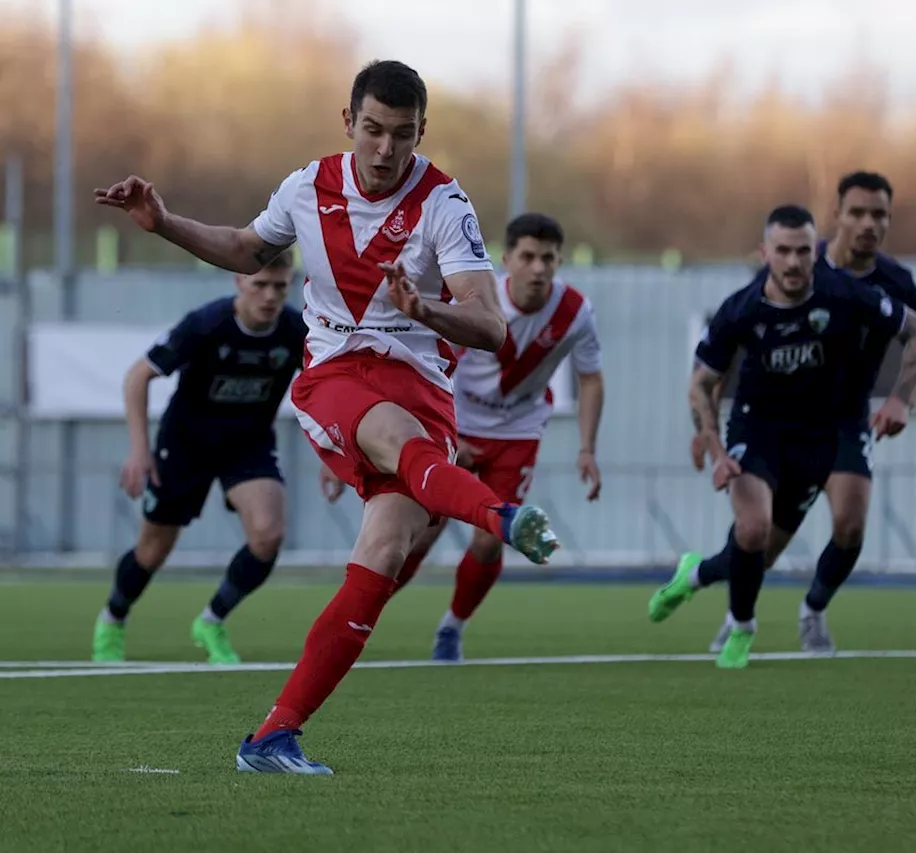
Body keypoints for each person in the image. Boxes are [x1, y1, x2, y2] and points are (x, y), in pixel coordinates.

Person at [94, 59, 559, 775]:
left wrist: (424, 309)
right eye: (372, 130)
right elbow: (248, 247)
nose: (384, 150)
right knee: (398, 442)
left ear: (421, 132)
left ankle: (272, 736)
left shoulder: (444, 201)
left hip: (420, 383)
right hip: (338, 374)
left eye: (401, 135)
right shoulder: (307, 186)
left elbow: (492, 325)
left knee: (383, 554)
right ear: (348, 122)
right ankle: (498, 515)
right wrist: (164, 225)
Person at [646, 204, 916, 669]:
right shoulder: (739, 309)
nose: (795, 261)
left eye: (804, 250)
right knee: (753, 528)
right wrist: (714, 446)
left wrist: (903, 395)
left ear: (814, 252)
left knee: (772, 545)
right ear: (765, 252)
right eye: (783, 251)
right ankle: (742, 626)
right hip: (755, 427)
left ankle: (695, 575)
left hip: (820, 436)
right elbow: (701, 383)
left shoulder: (843, 294)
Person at [91, 253, 346, 665]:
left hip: (247, 445)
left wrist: (333, 453)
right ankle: (112, 619)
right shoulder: (207, 324)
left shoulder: (295, 331)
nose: (269, 296)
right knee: (153, 550)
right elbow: (138, 376)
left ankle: (211, 621)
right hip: (185, 444)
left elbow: (328, 391)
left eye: (279, 287)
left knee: (268, 534)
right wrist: (139, 450)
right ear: (238, 283)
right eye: (259, 285)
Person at [391, 211, 604, 662]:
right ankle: (364, 617)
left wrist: (587, 449)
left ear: (559, 261)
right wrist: (446, 428)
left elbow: (591, 379)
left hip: (517, 433)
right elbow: (433, 363)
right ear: (507, 259)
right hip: (458, 427)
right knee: (421, 533)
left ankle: (452, 627)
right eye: (528, 257)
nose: (539, 268)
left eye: (548, 258)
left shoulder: (575, 313)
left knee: (491, 537)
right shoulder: (477, 304)